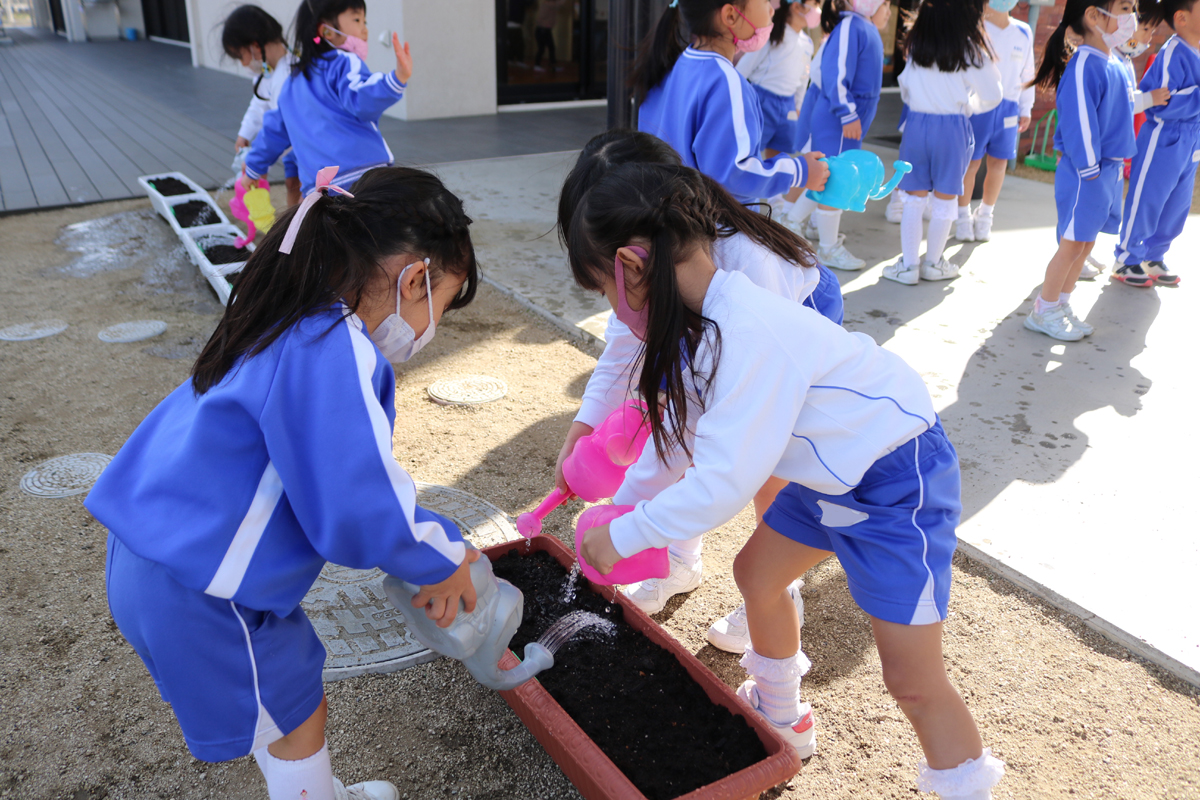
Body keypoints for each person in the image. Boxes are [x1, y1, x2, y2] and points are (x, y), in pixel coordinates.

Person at [569, 162, 1006, 798]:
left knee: (912, 681)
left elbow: (721, 483)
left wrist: (625, 534)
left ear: (631, 266)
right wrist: (622, 508)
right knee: (757, 574)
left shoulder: (747, 327)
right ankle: (783, 716)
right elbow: (683, 443)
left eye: (602, 291)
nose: (612, 311)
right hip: (833, 474)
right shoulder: (703, 320)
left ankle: (969, 787)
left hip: (895, 479)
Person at [86, 166, 480, 800]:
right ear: (414, 280)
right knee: (297, 712)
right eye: (440, 307)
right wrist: (442, 557)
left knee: (280, 701)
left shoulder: (279, 312)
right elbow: (359, 500)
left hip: (154, 558)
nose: (429, 332)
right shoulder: (333, 345)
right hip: (204, 592)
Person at [551, 130, 841, 655]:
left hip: (794, 336)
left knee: (769, 470)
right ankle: (680, 562)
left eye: (605, 285)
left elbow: (722, 433)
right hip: (706, 329)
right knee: (680, 422)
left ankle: (779, 588)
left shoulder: (748, 268)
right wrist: (585, 426)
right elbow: (624, 348)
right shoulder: (662, 273)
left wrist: (625, 515)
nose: (611, 301)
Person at [632, 0, 830, 209]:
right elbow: (733, 174)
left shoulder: (675, 66)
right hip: (715, 222)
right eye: (765, 1)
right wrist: (799, 171)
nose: (772, 9)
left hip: (672, 215)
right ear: (730, 16)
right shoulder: (726, 82)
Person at [1024, 0, 1137, 341]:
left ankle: (1061, 303)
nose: (1132, 16)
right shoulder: (1084, 65)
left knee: (1085, 244)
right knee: (1072, 245)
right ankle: (1043, 309)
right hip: (1086, 172)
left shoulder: (1114, 62)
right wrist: (1089, 169)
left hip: (1106, 170)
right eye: (1125, 7)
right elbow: (1079, 122)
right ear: (1093, 15)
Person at [882, 0, 1002, 286]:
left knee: (913, 198)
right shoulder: (970, 49)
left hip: (916, 124)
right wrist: (969, 105)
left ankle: (908, 266)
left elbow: (905, 86)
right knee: (945, 197)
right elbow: (993, 94)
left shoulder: (917, 45)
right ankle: (934, 264)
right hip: (952, 128)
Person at [242, 0, 412, 196]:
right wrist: (396, 79)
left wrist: (253, 168)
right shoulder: (343, 62)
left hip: (320, 191)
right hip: (364, 177)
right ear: (327, 31)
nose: (365, 30)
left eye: (365, 22)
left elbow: (273, 132)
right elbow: (361, 98)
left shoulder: (291, 84)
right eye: (357, 20)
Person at [781, 0, 891, 271]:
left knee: (828, 176)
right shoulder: (852, 26)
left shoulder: (862, 27)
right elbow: (836, 72)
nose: (889, 11)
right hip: (838, 118)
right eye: (885, 4)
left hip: (844, 118)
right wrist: (847, 113)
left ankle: (791, 223)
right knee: (837, 180)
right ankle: (828, 248)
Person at [1112, 0, 1199, 288]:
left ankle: (1154, 255)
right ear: (1182, 18)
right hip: (1164, 135)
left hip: (1192, 138)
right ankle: (1127, 257)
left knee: (1178, 203)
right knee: (1149, 196)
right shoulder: (1173, 52)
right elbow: (1163, 102)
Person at [1079, 6, 1170, 278]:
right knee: (1084, 206)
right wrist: (1150, 98)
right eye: (1145, 29)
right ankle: (1073, 256)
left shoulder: (1124, 61)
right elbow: (1124, 103)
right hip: (1099, 151)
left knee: (1100, 208)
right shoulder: (1109, 61)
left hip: (1114, 153)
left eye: (1152, 31)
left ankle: (1083, 252)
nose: (1148, 38)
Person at [954, 0, 1035, 244]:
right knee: (971, 163)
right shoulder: (973, 28)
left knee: (999, 162)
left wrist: (1026, 108)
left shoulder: (1023, 31)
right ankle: (962, 216)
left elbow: (1027, 73)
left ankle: (985, 215)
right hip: (977, 105)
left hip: (1009, 107)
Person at [222, 5, 303, 208]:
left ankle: (302, 223)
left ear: (255, 47)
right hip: (292, 147)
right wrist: (245, 133)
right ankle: (295, 222)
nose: (243, 64)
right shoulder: (267, 72)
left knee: (306, 192)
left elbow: (283, 127)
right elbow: (259, 103)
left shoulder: (289, 75)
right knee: (293, 184)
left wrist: (258, 163)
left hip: (306, 148)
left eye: (240, 56)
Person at [735, 0, 822, 166]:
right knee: (751, 150)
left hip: (788, 106)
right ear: (796, 6)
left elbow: (803, 78)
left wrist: (798, 106)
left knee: (780, 155)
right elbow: (744, 68)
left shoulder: (807, 43)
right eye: (815, 4)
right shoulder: (772, 35)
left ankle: (773, 183)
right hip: (762, 100)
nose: (818, 10)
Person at [533, 0, 566, 72]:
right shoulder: (548, 4)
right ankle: (538, 65)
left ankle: (551, 65)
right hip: (543, 30)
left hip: (544, 29)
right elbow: (559, 4)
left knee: (549, 48)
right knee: (543, 48)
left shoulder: (548, 4)